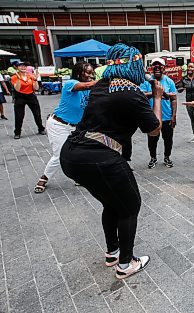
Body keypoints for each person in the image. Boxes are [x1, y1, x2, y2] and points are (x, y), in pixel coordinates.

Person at [60, 43, 162, 280]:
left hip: (72, 155)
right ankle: (126, 264)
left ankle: (112, 253)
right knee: (130, 207)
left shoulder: (100, 85)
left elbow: (116, 100)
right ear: (135, 66)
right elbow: (154, 129)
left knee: (111, 203)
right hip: (101, 158)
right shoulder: (132, 93)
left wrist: (141, 95)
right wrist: (156, 97)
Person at [34, 62, 96, 193]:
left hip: (76, 127)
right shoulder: (70, 83)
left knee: (78, 152)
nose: (90, 75)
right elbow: (87, 85)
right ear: (78, 73)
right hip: (59, 124)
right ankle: (44, 178)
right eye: (87, 72)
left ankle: (77, 177)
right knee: (59, 154)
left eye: (91, 72)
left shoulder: (90, 89)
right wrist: (108, 79)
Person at [141, 58, 177, 169]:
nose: (157, 68)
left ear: (164, 68)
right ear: (151, 68)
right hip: (152, 117)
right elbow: (142, 95)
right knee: (152, 140)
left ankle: (167, 157)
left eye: (160, 65)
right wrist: (156, 93)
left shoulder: (169, 81)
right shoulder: (146, 81)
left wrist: (173, 116)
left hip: (167, 117)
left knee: (168, 139)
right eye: (154, 65)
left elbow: (174, 99)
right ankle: (153, 158)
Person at [10, 61, 45, 139]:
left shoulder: (30, 76)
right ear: (17, 67)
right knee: (19, 116)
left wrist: (35, 80)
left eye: (24, 66)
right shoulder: (14, 77)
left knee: (37, 114)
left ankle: (41, 128)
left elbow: (36, 88)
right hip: (20, 97)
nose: (23, 67)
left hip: (31, 96)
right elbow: (17, 89)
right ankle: (17, 132)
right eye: (21, 66)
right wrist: (19, 79)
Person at [177, 61, 194, 147]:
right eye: (188, 67)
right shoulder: (184, 79)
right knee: (192, 119)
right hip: (188, 102)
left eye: (191, 67)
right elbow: (179, 90)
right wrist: (179, 86)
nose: (189, 68)